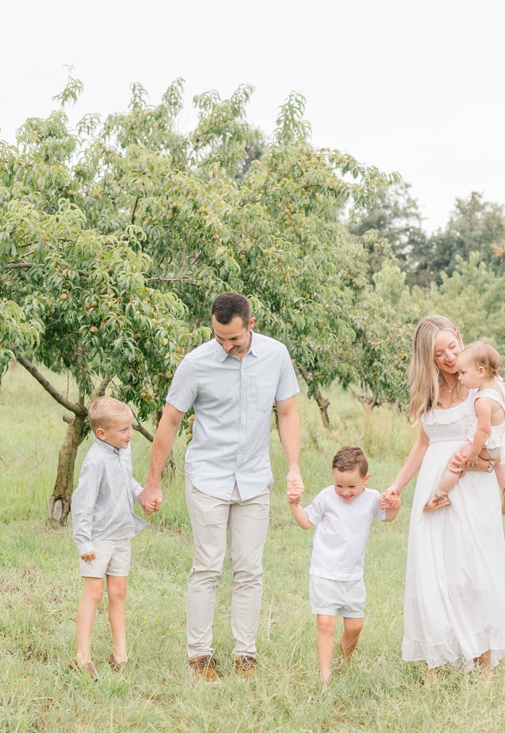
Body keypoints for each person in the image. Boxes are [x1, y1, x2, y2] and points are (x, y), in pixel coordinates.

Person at [140, 292, 302, 681]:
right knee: (208, 567)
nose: (227, 345)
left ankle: (245, 655)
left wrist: (294, 467)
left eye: (234, 339)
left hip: (254, 479)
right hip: (208, 478)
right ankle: (199, 656)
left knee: (249, 569)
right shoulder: (195, 364)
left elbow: (288, 411)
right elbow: (170, 421)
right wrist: (152, 482)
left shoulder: (277, 356)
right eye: (219, 338)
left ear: (252, 323)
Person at [381, 315, 505, 682]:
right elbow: (423, 444)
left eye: (452, 346)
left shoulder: (483, 382)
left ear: (461, 340)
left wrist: (486, 460)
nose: (449, 356)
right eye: (439, 352)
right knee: (431, 572)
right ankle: (434, 664)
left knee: (475, 571)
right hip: (434, 487)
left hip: (473, 488)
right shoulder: (428, 393)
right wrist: (397, 485)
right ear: (426, 357)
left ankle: (484, 667)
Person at [286, 445, 401, 684]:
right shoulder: (327, 497)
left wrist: (394, 508)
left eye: (351, 486)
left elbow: (387, 517)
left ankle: (342, 662)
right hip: (325, 572)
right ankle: (325, 677)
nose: (345, 492)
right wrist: (295, 505)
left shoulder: (371, 498)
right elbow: (307, 522)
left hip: (353, 577)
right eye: (339, 485)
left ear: (365, 479)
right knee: (326, 623)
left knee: (354, 627)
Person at [70, 396, 147, 678]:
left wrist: (141, 495)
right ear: (102, 433)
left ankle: (120, 654)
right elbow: (83, 504)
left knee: (118, 593)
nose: (130, 434)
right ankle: (82, 656)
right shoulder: (95, 462)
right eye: (124, 430)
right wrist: (84, 542)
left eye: (130, 427)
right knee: (94, 593)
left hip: (121, 534)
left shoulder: (122, 451)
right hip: (99, 539)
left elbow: (129, 482)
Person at [422, 339, 505, 516]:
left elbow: (483, 431)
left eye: (463, 373)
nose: (459, 377)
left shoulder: (482, 400)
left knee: (458, 460)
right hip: (504, 437)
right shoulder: (500, 383)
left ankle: (440, 495)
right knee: (494, 457)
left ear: (481, 371)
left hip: (490, 444)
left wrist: (473, 454)